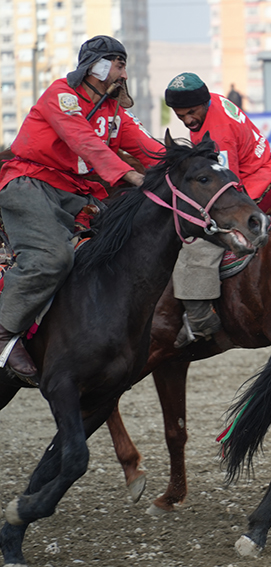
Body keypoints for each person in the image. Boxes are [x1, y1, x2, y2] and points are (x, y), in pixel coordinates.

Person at [0, 35, 162, 381]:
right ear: (99, 66)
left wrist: (187, 167)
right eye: (119, 65)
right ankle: (3, 332)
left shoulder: (114, 112)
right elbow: (85, 142)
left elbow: (150, 149)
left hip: (76, 193)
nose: (124, 73)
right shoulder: (61, 95)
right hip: (31, 184)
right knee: (51, 259)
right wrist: (130, 176)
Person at [164, 73, 271, 347]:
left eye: (191, 112)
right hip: (269, 170)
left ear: (202, 103)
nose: (187, 120)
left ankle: (200, 323)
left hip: (256, 184)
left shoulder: (219, 133)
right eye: (180, 116)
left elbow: (223, 186)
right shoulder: (212, 101)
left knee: (198, 242)